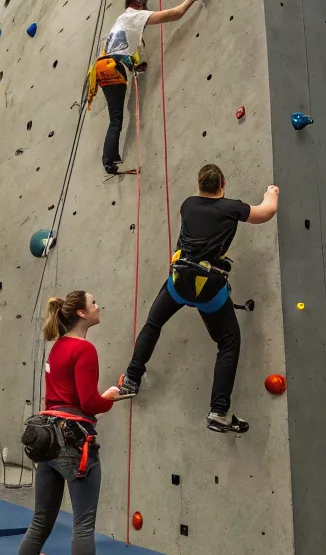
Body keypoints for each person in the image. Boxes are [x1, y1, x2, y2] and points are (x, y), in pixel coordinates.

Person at [118, 165, 280, 432]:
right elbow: (266, 212)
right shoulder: (232, 208)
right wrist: (271, 193)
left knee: (153, 324)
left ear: (200, 185)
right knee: (228, 343)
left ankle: (131, 379)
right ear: (223, 183)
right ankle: (218, 411)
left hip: (179, 281)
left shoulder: (188, 204)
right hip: (209, 289)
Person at [0, 291, 126, 555]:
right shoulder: (85, 349)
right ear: (82, 314)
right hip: (74, 440)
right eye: (95, 302)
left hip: (47, 440)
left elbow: (58, 397)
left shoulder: (57, 348)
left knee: (39, 524)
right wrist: (111, 397)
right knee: (83, 524)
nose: (100, 305)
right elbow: (89, 402)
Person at [93, 0, 202, 174]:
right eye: (143, 5)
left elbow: (119, 50)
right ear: (138, 4)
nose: (144, 8)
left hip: (102, 67)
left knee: (115, 118)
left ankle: (108, 160)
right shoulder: (135, 16)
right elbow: (174, 14)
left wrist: (133, 65)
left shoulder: (121, 20)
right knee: (117, 119)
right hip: (113, 67)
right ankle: (108, 161)